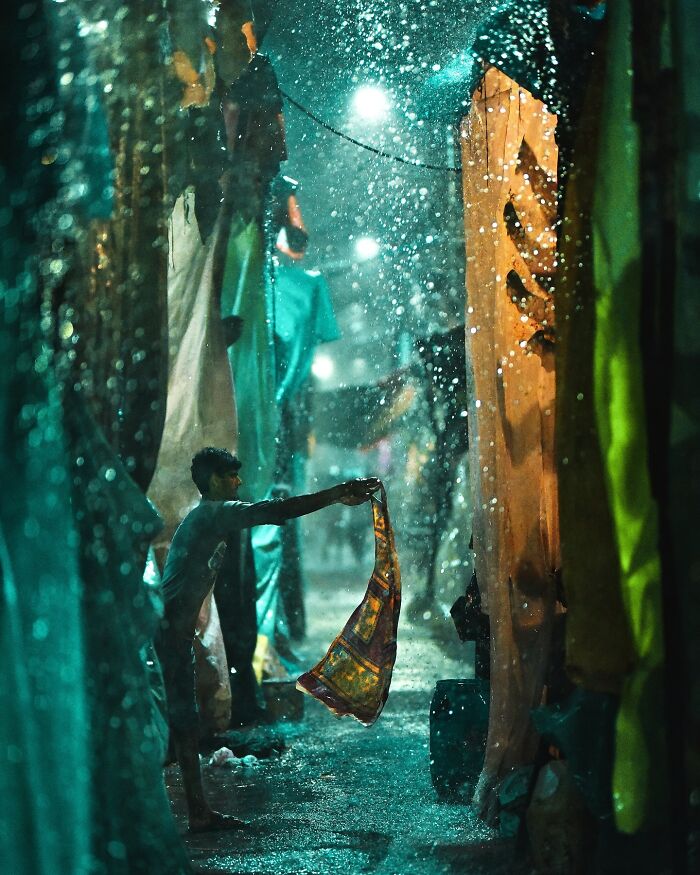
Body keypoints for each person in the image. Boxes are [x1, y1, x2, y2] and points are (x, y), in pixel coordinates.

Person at [156, 446, 380, 832]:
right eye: (231, 476)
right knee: (176, 724)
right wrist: (336, 493)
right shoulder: (213, 514)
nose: (238, 482)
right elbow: (275, 511)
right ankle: (168, 816)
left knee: (184, 723)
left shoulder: (210, 518)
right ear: (213, 480)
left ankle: (196, 813)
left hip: (174, 635)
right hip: (166, 636)